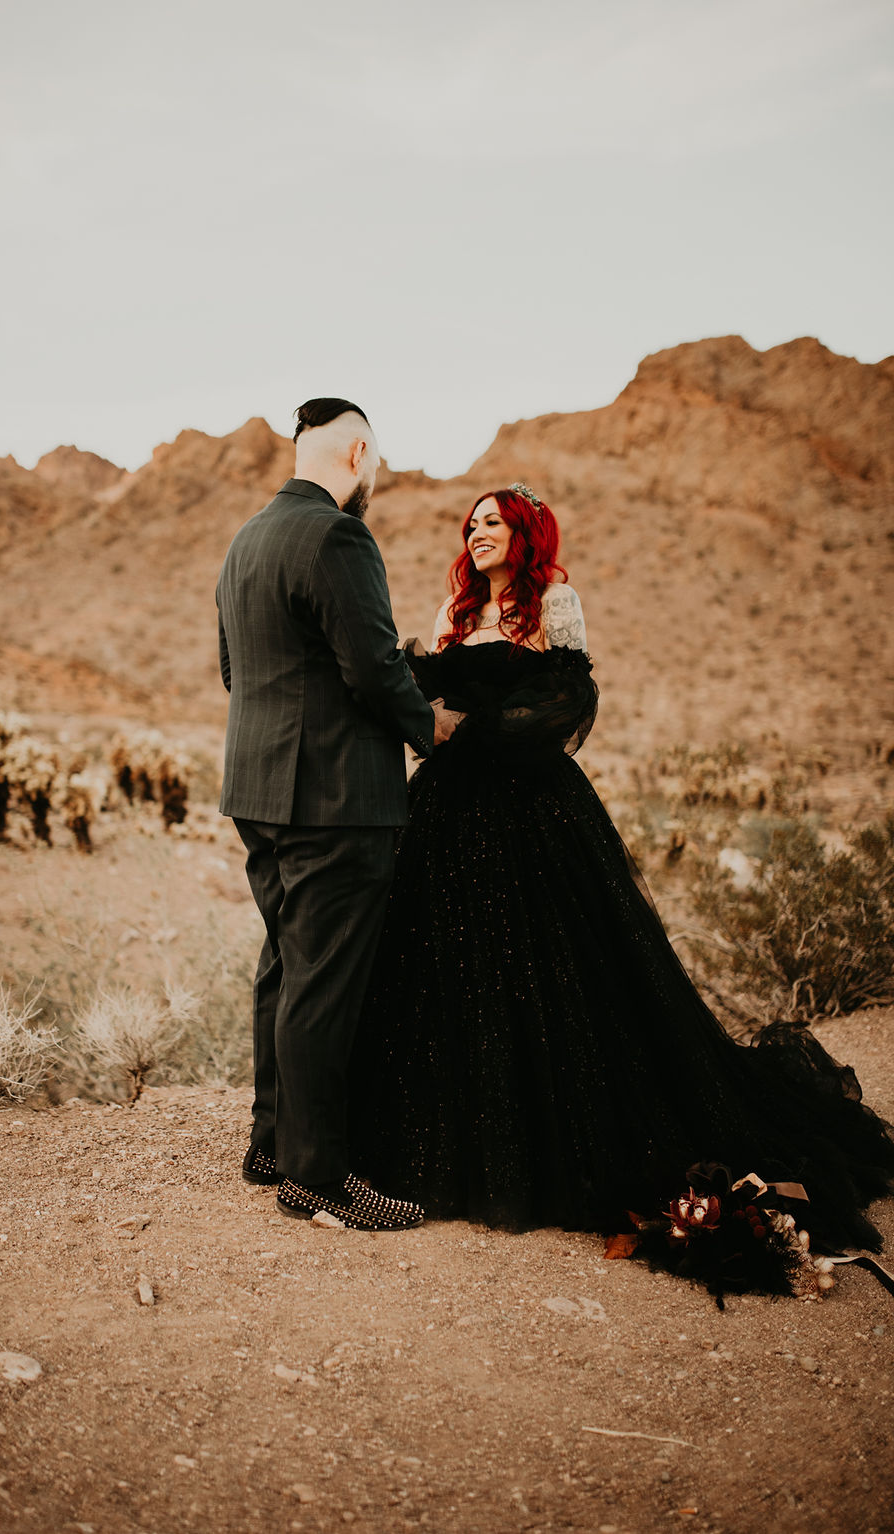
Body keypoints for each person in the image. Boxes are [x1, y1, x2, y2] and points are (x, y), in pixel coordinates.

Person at [349, 482, 894, 1291]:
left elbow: (566, 701)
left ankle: (549, 1147)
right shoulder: (453, 614)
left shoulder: (553, 604)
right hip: (448, 821)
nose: (477, 533)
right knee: (454, 976)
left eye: (493, 522)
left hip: (531, 819)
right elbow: (424, 707)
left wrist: (477, 732)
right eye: (471, 524)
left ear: (526, 534)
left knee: (555, 980)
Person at [216, 397, 461, 1233]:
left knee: (286, 967)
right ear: (358, 454)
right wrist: (429, 726)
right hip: (334, 797)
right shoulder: (339, 537)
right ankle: (317, 1177)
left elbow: (234, 670)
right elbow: (372, 668)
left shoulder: (246, 541)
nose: (374, 477)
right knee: (321, 983)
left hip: (259, 792)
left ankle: (271, 1144)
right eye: (376, 463)